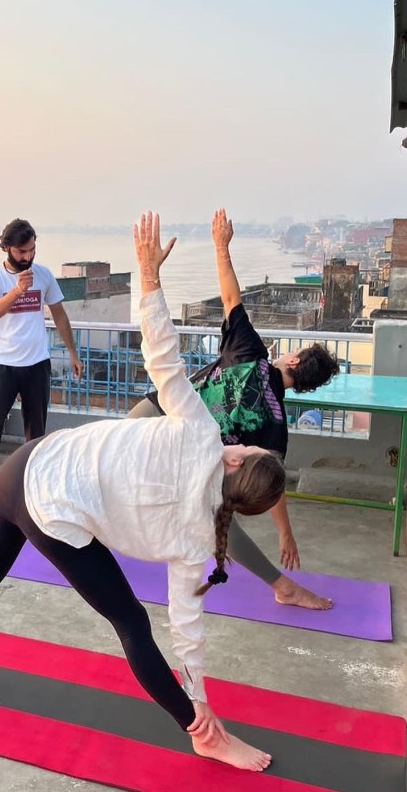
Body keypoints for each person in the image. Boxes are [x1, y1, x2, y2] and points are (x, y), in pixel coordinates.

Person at [0, 212, 284, 772]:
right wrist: (200, 702)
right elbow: (186, 634)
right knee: (133, 623)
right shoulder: (200, 541)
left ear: (238, 458)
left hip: (23, 467)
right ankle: (201, 734)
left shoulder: (203, 432)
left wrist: (147, 276)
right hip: (47, 504)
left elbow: (162, 355)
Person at [128, 208, 340, 610]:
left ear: (293, 362)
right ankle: (283, 586)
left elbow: (230, 297)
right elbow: (269, 483)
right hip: (190, 455)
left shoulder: (251, 353)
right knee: (218, 520)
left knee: (108, 459)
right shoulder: (277, 425)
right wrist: (285, 535)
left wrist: (221, 246)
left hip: (158, 416)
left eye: (293, 351)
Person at [0, 218, 83, 515]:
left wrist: (72, 352)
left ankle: (35, 491)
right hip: (3, 364)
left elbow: (60, 315)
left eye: (31, 250)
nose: (28, 256)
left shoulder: (43, 275)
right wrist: (17, 291)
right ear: (7, 249)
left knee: (36, 434)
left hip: (37, 363)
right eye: (21, 252)